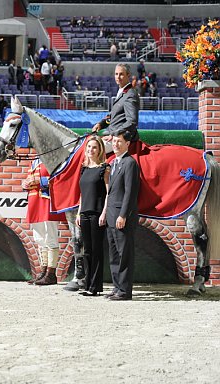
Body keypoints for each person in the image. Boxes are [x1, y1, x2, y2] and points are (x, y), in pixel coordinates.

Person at [105, 132, 140, 300]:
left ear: (127, 144)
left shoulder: (130, 163)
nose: (116, 144)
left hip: (121, 217)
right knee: (114, 254)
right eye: (114, 141)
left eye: (120, 141)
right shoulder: (114, 163)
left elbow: (130, 193)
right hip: (111, 216)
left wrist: (123, 215)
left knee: (124, 254)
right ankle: (117, 287)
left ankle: (125, 291)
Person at [21, 158, 66, 285]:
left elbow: (60, 178)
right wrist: (25, 183)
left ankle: (51, 274)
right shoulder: (34, 161)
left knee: (50, 236)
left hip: (47, 201)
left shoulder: (53, 158)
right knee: (39, 238)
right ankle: (44, 271)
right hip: (35, 201)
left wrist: (39, 181)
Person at [76, 136, 110, 296]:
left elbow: (109, 193)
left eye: (94, 147)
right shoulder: (83, 168)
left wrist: (104, 212)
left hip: (98, 214)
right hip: (84, 214)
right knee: (87, 250)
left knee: (97, 250)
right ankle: (87, 284)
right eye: (89, 147)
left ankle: (95, 287)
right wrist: (78, 212)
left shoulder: (104, 168)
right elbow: (82, 194)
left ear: (100, 150)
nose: (91, 150)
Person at [91, 63, 139, 144]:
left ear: (128, 75)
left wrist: (114, 134)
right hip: (111, 134)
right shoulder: (121, 91)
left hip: (121, 137)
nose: (118, 77)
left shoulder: (130, 95)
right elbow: (113, 116)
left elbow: (132, 122)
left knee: (93, 147)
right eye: (116, 74)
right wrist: (101, 124)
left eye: (121, 74)